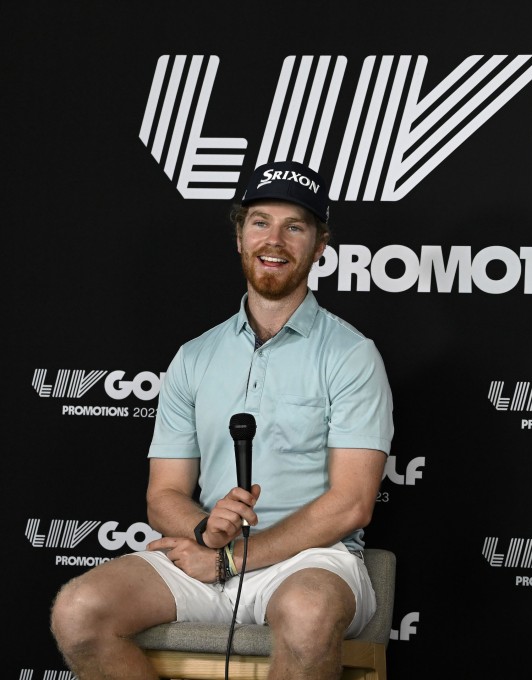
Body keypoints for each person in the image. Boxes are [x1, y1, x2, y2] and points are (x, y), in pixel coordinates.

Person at [50, 160, 395, 680]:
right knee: (78, 611)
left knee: (308, 615)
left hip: (311, 560)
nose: (273, 240)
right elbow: (162, 494)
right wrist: (204, 528)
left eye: (294, 227)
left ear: (320, 245)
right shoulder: (194, 357)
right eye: (259, 222)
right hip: (207, 557)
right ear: (239, 236)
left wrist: (232, 561)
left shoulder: (351, 355)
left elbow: (351, 503)